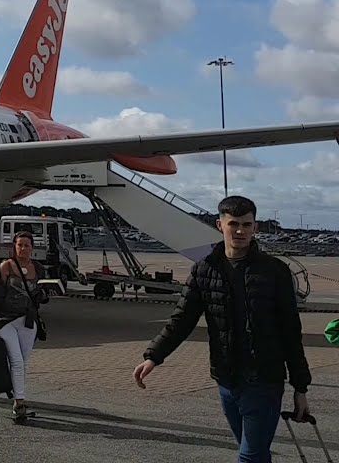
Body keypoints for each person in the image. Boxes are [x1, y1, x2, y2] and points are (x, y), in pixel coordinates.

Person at [133, 195, 311, 462]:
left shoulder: (275, 271)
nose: (240, 231)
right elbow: (182, 318)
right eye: (233, 224)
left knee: (250, 456)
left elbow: (290, 330)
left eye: (247, 225)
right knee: (253, 452)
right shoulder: (204, 269)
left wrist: (300, 387)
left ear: (255, 228)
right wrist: (153, 356)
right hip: (227, 379)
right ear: (220, 225)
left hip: (263, 380)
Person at [0, 229, 48, 421]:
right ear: (14, 247)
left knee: (23, 361)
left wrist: (47, 294)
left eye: (26, 245)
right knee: (17, 360)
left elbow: (40, 295)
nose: (23, 248)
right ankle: (19, 402)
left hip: (28, 320)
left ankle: (17, 393)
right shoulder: (6, 266)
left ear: (32, 248)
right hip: (6, 320)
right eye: (19, 244)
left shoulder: (38, 269)